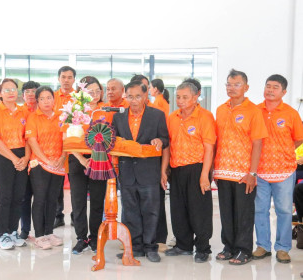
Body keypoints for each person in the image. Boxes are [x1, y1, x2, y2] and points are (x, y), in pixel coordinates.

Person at [214, 69, 268, 265]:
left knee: (244, 213)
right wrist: (213, 168)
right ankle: (228, 247)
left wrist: (252, 173)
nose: (231, 88)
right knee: (226, 213)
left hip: (244, 173)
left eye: (236, 84)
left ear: (246, 87)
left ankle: (244, 250)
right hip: (222, 170)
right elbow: (216, 140)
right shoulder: (220, 109)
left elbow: (257, 143)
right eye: (228, 84)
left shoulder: (253, 111)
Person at [112, 80, 169, 263]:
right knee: (130, 211)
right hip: (127, 171)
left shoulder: (157, 115)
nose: (134, 100)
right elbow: (114, 141)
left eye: (138, 96)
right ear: (125, 97)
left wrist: (160, 141)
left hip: (149, 171)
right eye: (130, 96)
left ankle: (150, 247)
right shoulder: (119, 117)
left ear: (145, 96)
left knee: (151, 211)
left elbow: (165, 138)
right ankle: (134, 247)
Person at [162, 82, 215, 263]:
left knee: (199, 210)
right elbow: (167, 146)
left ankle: (202, 247)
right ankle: (183, 245)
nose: (181, 101)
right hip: (176, 169)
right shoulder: (173, 117)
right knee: (178, 209)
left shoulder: (205, 117)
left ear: (195, 98)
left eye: (185, 97)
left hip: (198, 168)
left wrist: (204, 175)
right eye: (178, 97)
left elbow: (209, 148)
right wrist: (165, 169)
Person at [253, 74, 303, 263]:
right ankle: (263, 246)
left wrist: (291, 154)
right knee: (260, 210)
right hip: (260, 170)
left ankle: (282, 248)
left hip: (284, 170)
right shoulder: (255, 111)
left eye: (275, 87)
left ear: (283, 92)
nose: (270, 90)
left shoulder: (291, 113)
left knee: (283, 210)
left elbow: (299, 138)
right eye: (268, 86)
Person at [0, 78, 30, 250]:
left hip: (21, 156)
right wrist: (14, 159)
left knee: (18, 196)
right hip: (3, 156)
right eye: (6, 90)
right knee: (5, 197)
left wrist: (25, 158)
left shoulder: (24, 112)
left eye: (13, 89)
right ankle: (3, 234)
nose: (11, 92)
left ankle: (13, 231)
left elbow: (28, 138)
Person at [68, 76, 107, 254]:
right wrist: (83, 160)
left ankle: (94, 237)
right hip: (78, 160)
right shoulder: (75, 111)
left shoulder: (105, 111)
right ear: (82, 94)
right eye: (90, 92)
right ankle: (81, 237)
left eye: (98, 91)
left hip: (99, 160)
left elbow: (111, 137)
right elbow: (67, 138)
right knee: (78, 201)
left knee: (98, 201)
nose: (95, 94)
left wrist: (95, 157)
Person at [25, 86, 66, 249]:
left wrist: (62, 157)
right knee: (40, 198)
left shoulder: (62, 117)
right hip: (40, 164)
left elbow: (67, 139)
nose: (46, 101)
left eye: (49, 97)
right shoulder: (33, 117)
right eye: (42, 98)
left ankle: (49, 232)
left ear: (54, 99)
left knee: (52, 199)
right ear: (37, 101)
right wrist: (46, 160)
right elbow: (32, 141)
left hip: (59, 164)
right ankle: (39, 235)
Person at [53, 66, 76, 229]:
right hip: (55, 145)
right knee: (56, 181)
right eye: (63, 77)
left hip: (74, 144)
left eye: (69, 77)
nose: (66, 80)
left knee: (76, 183)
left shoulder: (80, 98)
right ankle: (57, 215)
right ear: (59, 79)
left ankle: (76, 215)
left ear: (74, 79)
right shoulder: (51, 97)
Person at [19, 80, 40, 240]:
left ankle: (43, 230)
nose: (31, 94)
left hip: (41, 160)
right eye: (28, 92)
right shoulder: (19, 112)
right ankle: (25, 230)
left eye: (34, 91)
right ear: (23, 95)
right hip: (24, 160)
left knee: (41, 197)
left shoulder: (45, 111)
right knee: (24, 197)